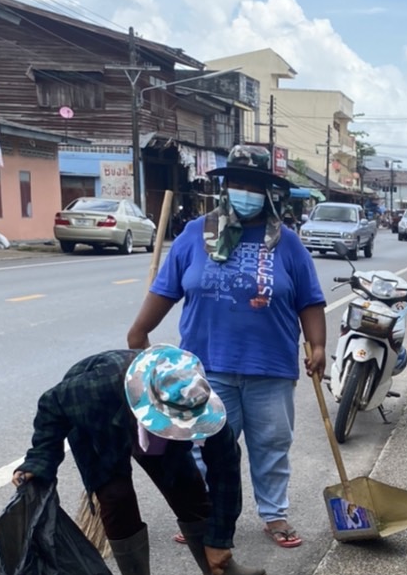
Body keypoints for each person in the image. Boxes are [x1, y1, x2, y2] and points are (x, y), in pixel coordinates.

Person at [127, 145, 326, 550]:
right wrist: (138, 333)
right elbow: (165, 290)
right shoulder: (194, 235)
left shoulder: (286, 243)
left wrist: (317, 344)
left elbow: (310, 299)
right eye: (238, 183)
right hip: (208, 366)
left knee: (271, 445)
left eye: (254, 185)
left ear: (268, 191)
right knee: (204, 448)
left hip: (270, 367)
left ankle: (274, 514)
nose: (245, 191)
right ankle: (201, 513)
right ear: (225, 186)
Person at [13, 346, 265, 575]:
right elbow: (51, 407)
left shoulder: (197, 399)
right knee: (115, 495)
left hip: (148, 424)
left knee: (187, 486)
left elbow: (225, 475)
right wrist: (38, 461)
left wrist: (220, 541)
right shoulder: (91, 389)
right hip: (101, 420)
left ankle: (217, 568)